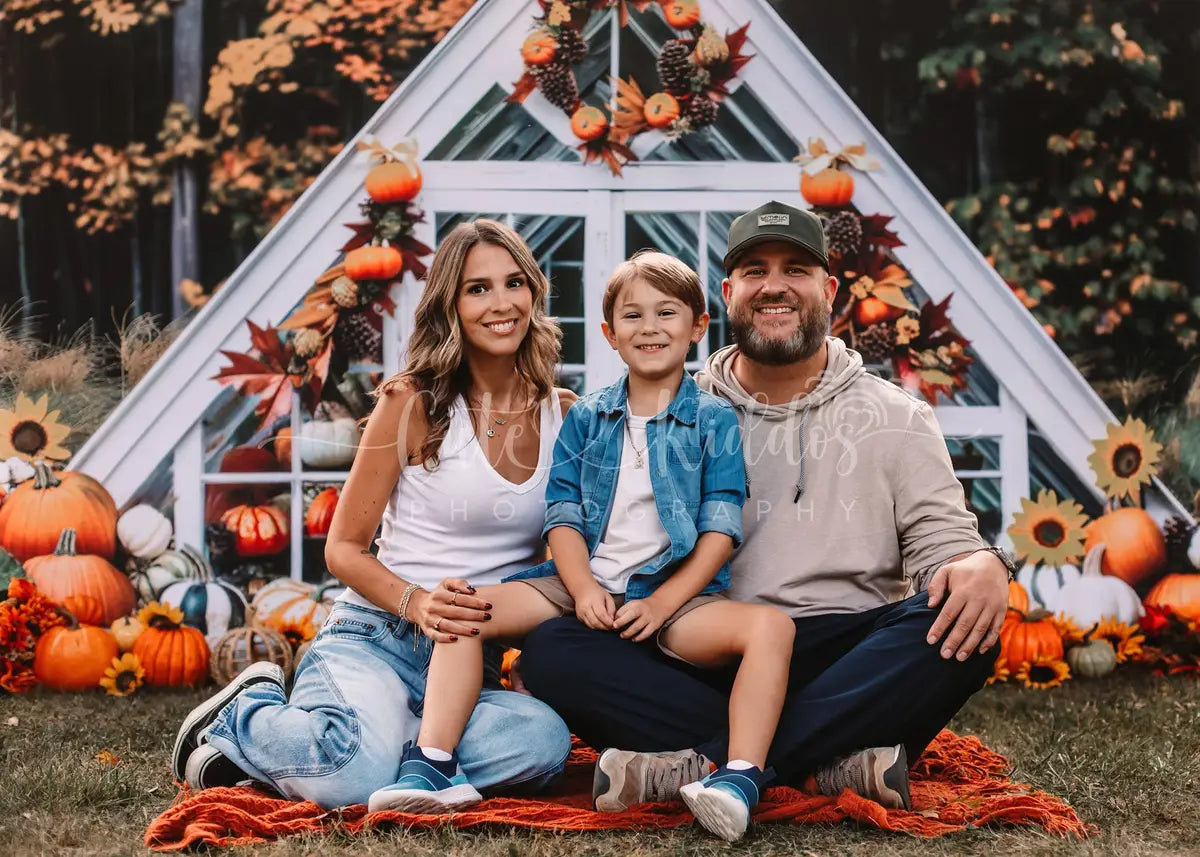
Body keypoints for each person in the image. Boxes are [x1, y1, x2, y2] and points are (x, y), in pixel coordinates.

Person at [518, 201, 1013, 824]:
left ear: (828, 290)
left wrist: (987, 563)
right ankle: (827, 763)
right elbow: (598, 525)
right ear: (727, 294)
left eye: (796, 269)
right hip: (701, 652)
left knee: (962, 617)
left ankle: (704, 766)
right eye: (755, 269)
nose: (774, 285)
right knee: (553, 648)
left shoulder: (897, 416)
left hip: (842, 656)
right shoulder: (677, 407)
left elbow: (946, 547)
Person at [369, 251, 795, 841]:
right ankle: (432, 765)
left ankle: (738, 779)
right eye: (633, 316)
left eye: (667, 312)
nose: (650, 328)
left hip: (672, 596)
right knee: (462, 605)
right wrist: (583, 587)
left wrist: (664, 602)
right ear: (609, 333)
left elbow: (721, 528)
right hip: (579, 583)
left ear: (699, 326)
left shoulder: (714, 421)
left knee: (773, 629)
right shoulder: (586, 417)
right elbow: (562, 518)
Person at [170, 218, 576, 810]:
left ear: (533, 292)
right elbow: (343, 549)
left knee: (542, 742)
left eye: (514, 283)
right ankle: (246, 714)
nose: (501, 304)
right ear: (451, 305)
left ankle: (397, 755)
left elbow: (560, 549)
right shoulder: (411, 402)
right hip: (378, 638)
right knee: (350, 781)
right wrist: (419, 602)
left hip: (469, 664)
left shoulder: (563, 413)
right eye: (477, 289)